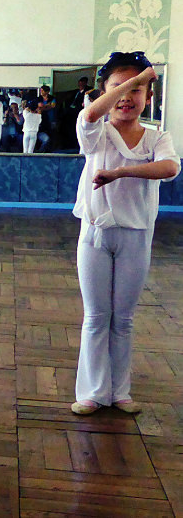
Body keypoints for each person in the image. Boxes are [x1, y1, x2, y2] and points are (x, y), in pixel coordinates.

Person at [70, 52, 178, 416]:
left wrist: (120, 174)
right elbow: (88, 114)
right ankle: (91, 391)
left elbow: (169, 168)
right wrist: (132, 80)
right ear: (104, 91)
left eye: (138, 90)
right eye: (118, 88)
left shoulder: (157, 136)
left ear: (149, 97)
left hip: (135, 236)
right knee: (96, 316)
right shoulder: (95, 132)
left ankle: (119, 391)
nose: (128, 97)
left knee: (124, 317)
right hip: (95, 234)